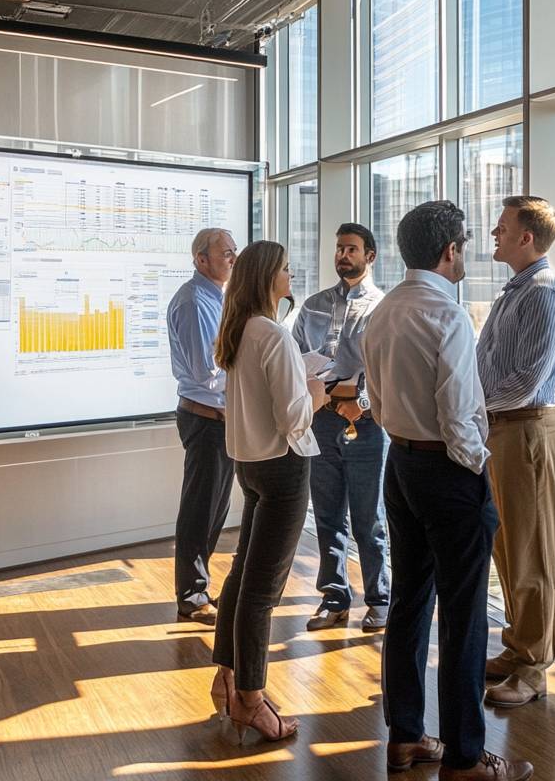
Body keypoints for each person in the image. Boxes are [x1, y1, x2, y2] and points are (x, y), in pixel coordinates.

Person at [363, 201, 533, 781]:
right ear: (449, 250)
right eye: (463, 245)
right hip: (448, 471)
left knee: (409, 602)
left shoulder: (383, 310)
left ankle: (406, 738)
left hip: (400, 464)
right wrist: (479, 467)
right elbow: (459, 416)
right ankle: (464, 758)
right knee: (464, 617)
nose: (466, 254)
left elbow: (377, 401)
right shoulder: (448, 315)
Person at [208, 240, 327, 744]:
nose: (290, 275)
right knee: (262, 592)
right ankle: (252, 701)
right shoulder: (273, 335)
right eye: (285, 269)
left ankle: (227, 678)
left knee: (242, 576)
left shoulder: (238, 331)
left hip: (251, 466)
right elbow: (293, 418)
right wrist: (317, 392)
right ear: (267, 278)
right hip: (283, 468)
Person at [476, 196, 555, 709]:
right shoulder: (517, 290)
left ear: (526, 237)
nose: (494, 232)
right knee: (508, 546)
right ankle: (518, 648)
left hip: (527, 428)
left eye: (502, 226)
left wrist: (470, 404)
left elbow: (527, 381)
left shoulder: (543, 293)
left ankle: (534, 667)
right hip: (503, 428)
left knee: (532, 551)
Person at [293, 223, 390, 633]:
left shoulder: (383, 308)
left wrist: (360, 401)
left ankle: (380, 600)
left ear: (370, 256)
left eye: (351, 249)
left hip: (366, 424)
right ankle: (334, 599)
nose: (343, 256)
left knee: (370, 518)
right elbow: (295, 359)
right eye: (339, 249)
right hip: (321, 419)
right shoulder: (313, 305)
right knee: (328, 514)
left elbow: (387, 369)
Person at [166, 228, 238, 625]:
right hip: (205, 418)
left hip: (220, 420)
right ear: (201, 259)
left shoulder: (218, 297)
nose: (233, 259)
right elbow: (205, 371)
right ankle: (192, 597)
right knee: (200, 510)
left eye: (234, 251)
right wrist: (250, 370)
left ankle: (199, 589)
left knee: (214, 509)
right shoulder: (195, 301)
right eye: (225, 253)